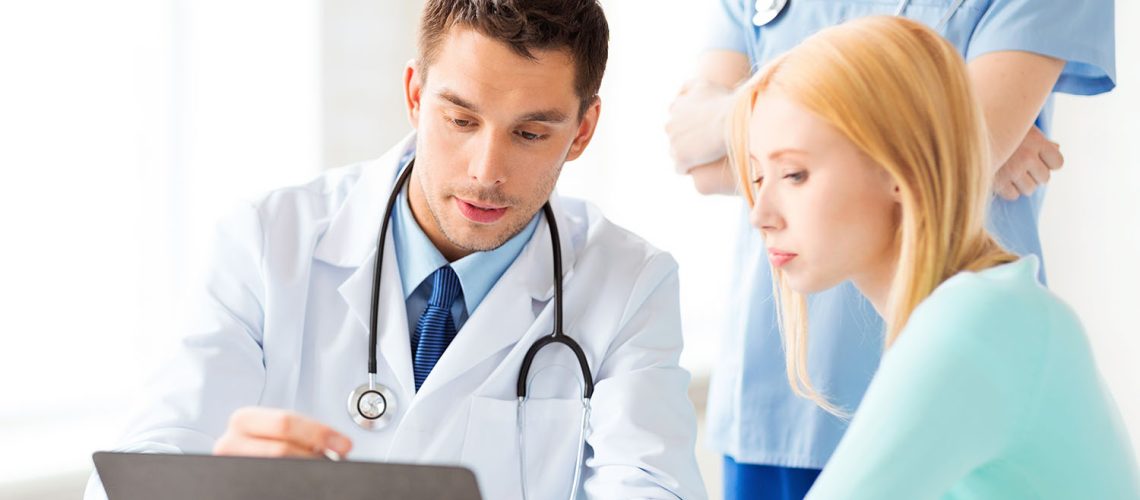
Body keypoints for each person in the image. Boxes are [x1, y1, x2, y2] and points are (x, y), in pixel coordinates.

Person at [85, 1, 707, 499]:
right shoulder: (266, 240)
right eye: (460, 120)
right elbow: (139, 469)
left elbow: (651, 487)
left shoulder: (631, 283)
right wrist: (215, 489)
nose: (486, 170)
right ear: (414, 95)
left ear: (583, 131)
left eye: (529, 133)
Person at [666, 1, 1116, 497]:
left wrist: (743, 109)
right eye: (755, 174)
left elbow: (967, 144)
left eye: (794, 173)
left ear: (903, 164)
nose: (760, 212)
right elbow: (699, 161)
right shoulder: (990, 311)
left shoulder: (975, 327)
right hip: (776, 414)